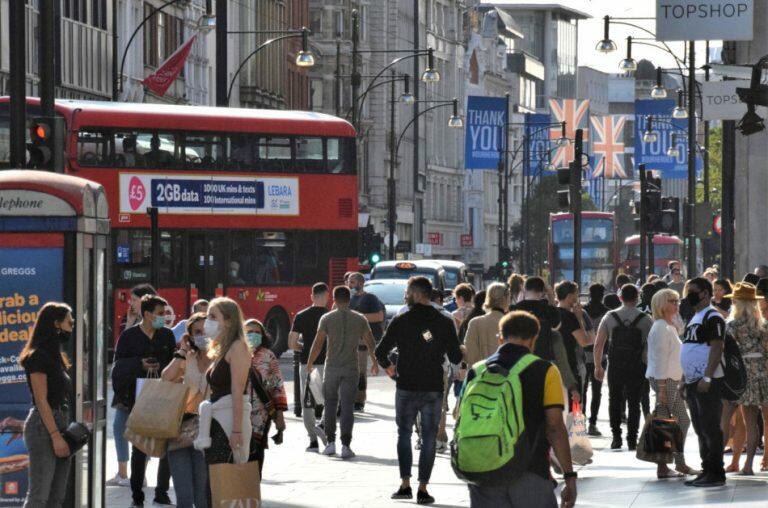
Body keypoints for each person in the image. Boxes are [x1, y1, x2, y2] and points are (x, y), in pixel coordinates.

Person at [460, 311, 576, 508]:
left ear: (500, 337)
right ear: (534, 339)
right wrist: (569, 475)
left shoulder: (476, 371)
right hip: (530, 471)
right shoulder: (545, 370)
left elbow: (461, 416)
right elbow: (554, 426)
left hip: (483, 471)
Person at [375, 276, 462, 505]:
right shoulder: (444, 321)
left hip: (406, 385)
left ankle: (405, 484)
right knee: (430, 438)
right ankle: (423, 487)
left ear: (416, 293)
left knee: (404, 434)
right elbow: (455, 356)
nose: (405, 295)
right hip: (433, 385)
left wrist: (390, 369)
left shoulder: (401, 319)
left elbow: (380, 350)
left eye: (407, 291)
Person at [112, 295, 177, 507]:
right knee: (139, 448)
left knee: (166, 444)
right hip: (137, 397)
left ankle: (161, 491)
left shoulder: (166, 336)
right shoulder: (129, 336)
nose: (163, 317)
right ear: (147, 314)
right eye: (160, 313)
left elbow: (173, 363)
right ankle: (137, 495)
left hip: (164, 396)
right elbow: (118, 366)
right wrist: (139, 364)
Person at [307, 286, 378, 459]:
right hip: (351, 367)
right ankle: (346, 445)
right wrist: (374, 361)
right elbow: (370, 342)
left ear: (334, 298)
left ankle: (330, 443)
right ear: (349, 299)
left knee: (330, 405)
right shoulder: (360, 319)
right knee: (347, 407)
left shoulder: (327, 318)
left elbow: (318, 343)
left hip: (331, 367)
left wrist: (310, 362)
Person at [19, 303, 74, 508]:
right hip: (44, 426)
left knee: (56, 496)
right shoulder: (38, 355)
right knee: (39, 496)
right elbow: (41, 400)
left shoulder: (55, 356)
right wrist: (55, 436)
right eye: (69, 322)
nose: (72, 327)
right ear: (56, 324)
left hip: (59, 421)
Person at [593, 284, 653, 451]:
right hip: (637, 366)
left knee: (614, 399)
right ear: (637, 298)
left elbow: (599, 344)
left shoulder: (610, 317)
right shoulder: (646, 319)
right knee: (635, 402)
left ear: (620, 297)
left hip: (616, 365)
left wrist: (598, 366)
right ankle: (632, 439)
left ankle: (616, 437)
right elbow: (654, 344)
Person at [680, 277, 727, 487]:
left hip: (707, 381)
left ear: (706, 294)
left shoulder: (712, 317)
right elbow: (689, 347)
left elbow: (717, 347)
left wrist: (707, 376)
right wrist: (684, 379)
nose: (689, 294)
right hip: (693, 382)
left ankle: (716, 472)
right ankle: (706, 468)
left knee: (710, 426)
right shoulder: (695, 316)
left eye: (694, 291)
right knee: (700, 428)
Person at [160, 312, 211, 508]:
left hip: (207, 432)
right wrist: (182, 350)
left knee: (202, 497)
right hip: (180, 430)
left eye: (206, 330)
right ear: (190, 336)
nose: (202, 335)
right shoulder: (187, 358)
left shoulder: (223, 359)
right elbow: (166, 377)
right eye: (197, 332)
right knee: (184, 497)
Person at [646, 289, 697, 478]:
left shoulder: (668, 325)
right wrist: (661, 389)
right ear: (661, 304)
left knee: (673, 421)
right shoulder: (660, 327)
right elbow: (659, 359)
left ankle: (674, 463)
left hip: (670, 379)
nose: (676, 304)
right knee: (669, 421)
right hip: (664, 379)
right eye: (671, 301)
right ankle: (668, 465)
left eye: (677, 300)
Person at [719, 283, 768, 476]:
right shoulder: (762, 324)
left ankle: (718, 462)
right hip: (762, 373)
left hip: (738, 376)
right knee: (753, 422)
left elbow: (725, 352)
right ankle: (748, 465)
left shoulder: (732, 325)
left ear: (737, 302)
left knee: (727, 420)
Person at [288, 283, 329, 451]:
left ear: (312, 296)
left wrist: (303, 348)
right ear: (327, 296)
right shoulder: (330, 316)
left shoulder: (301, 315)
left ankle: (312, 441)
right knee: (330, 399)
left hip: (308, 364)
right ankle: (323, 426)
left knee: (308, 404)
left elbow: (291, 342)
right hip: (328, 363)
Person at [245, 319, 287, 474]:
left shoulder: (268, 356)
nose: (253, 335)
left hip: (261, 412)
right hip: (237, 411)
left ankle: (253, 491)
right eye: (249, 332)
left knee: (256, 453)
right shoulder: (235, 353)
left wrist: (279, 416)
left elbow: (277, 385)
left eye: (257, 332)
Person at [347, 272, 385, 411]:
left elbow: (379, 316)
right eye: (348, 282)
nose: (349, 285)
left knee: (361, 372)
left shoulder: (370, 298)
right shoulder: (349, 299)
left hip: (363, 342)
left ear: (360, 283)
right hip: (349, 340)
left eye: (352, 282)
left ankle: (359, 400)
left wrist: (357, 317)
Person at [555, 281, 594, 407]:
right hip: (570, 367)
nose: (577, 298)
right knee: (575, 408)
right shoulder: (570, 317)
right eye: (576, 295)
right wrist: (579, 318)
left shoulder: (551, 314)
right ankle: (577, 427)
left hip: (553, 366)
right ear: (570, 296)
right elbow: (585, 341)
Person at [583, 283, 608, 436]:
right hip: (601, 355)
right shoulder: (607, 313)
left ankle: (581, 420)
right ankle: (593, 423)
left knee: (582, 390)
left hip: (583, 354)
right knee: (596, 391)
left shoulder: (582, 311)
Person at [464, 283, 510, 366]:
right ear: (506, 299)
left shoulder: (475, 323)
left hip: (480, 375)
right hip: (506, 376)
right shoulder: (512, 323)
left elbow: (470, 355)